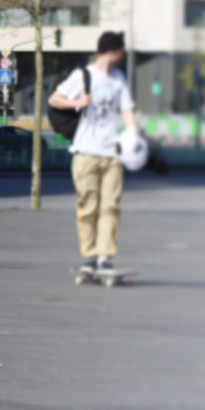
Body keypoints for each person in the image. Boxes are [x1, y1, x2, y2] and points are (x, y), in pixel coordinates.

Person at [48, 31, 139, 272]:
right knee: (88, 206)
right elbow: (55, 99)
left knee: (110, 206)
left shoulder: (119, 78)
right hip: (86, 151)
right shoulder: (83, 75)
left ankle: (104, 257)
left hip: (112, 153)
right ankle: (90, 255)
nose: (123, 55)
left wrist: (135, 134)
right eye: (121, 51)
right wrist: (77, 103)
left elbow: (127, 109)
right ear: (113, 51)